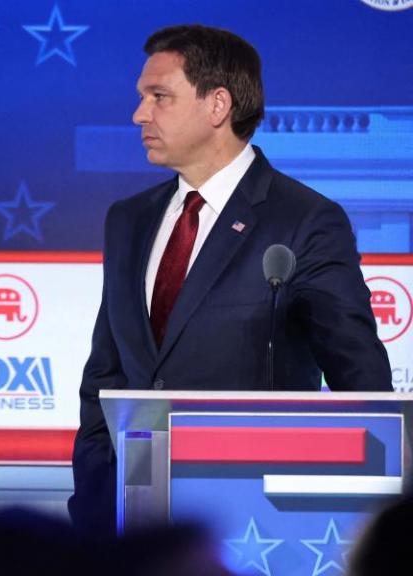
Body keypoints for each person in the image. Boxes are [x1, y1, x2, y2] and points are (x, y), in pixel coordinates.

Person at [69, 25, 393, 541]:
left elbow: (362, 381)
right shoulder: (127, 219)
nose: (139, 114)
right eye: (141, 98)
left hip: (257, 523)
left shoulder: (305, 220)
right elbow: (105, 377)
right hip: (132, 518)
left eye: (159, 97)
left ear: (217, 105)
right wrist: (91, 499)